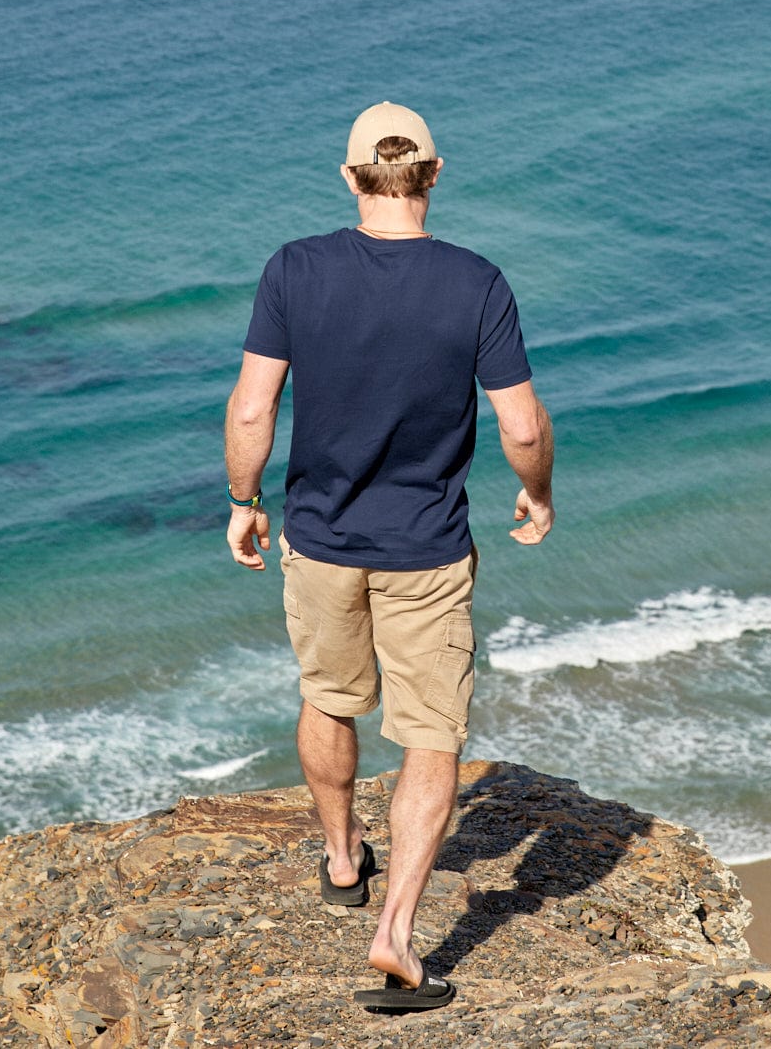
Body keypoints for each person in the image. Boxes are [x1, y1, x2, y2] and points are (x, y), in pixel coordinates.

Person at [224, 101, 554, 1012]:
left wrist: (244, 502)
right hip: (428, 548)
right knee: (429, 735)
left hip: (321, 540)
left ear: (349, 177)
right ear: (436, 175)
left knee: (329, 698)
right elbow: (520, 422)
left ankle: (341, 860)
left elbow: (254, 410)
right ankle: (396, 937)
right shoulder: (476, 282)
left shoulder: (295, 269)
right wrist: (538, 490)